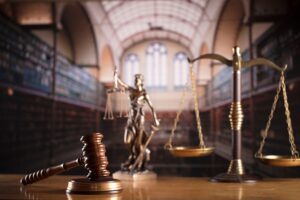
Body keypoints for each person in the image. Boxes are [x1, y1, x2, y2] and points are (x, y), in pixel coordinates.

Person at [114, 72, 159, 172]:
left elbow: (152, 107)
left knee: (138, 144)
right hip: (131, 118)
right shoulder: (131, 90)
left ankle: (138, 162)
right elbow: (122, 84)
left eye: (137, 79)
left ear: (141, 81)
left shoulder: (144, 93)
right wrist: (116, 76)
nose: (135, 81)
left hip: (139, 117)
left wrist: (155, 119)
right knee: (127, 141)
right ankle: (133, 156)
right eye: (134, 79)